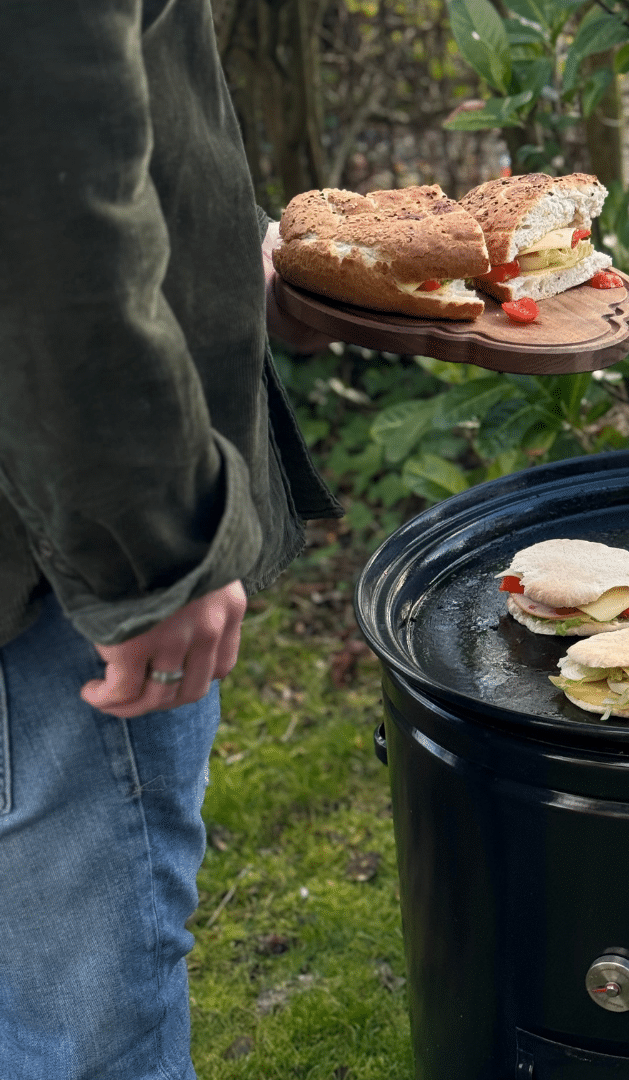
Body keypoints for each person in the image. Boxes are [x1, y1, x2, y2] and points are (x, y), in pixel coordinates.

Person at [0, 2, 343, 1077]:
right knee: (87, 1033)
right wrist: (152, 551)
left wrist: (224, 244)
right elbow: (45, 200)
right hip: (57, 558)